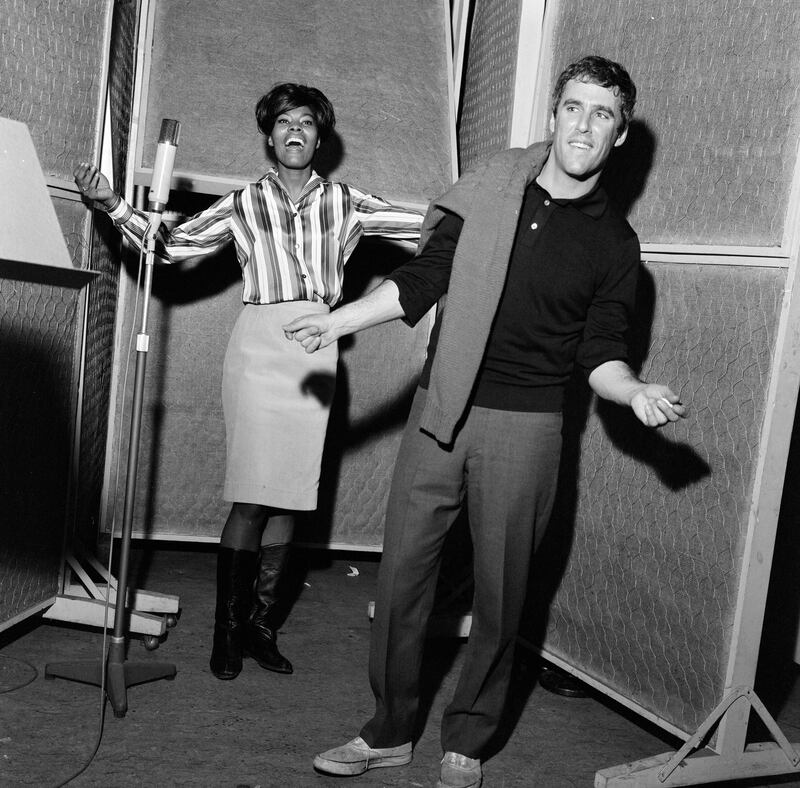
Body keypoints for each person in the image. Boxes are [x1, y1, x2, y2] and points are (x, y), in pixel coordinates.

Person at [283, 56, 687, 788]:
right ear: (554, 114)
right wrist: (338, 320)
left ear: (621, 135)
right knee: (403, 576)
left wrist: (630, 392)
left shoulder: (614, 245)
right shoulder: (493, 188)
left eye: (603, 114)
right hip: (441, 405)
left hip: (526, 428)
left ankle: (468, 737)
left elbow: (602, 350)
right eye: (573, 107)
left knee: (502, 591)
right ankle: (388, 728)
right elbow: (422, 280)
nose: (584, 125)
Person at [74, 83, 423, 681]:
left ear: (320, 136)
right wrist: (113, 206)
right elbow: (174, 243)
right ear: (268, 136)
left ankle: (262, 627)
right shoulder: (243, 203)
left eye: (307, 123)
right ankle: (227, 632)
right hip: (258, 348)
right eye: (283, 122)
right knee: (253, 493)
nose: (294, 132)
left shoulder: (347, 201)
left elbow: (428, 226)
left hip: (318, 345)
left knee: (291, 493)